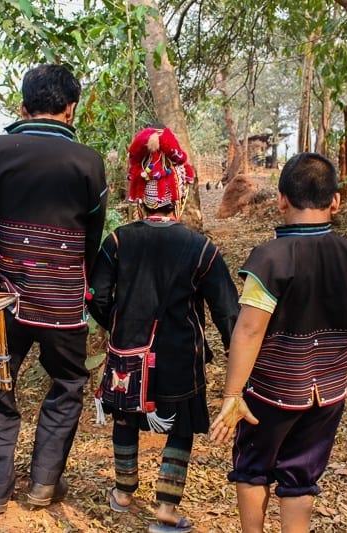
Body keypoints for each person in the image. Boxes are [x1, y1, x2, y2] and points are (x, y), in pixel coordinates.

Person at [0, 64, 107, 514]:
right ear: (72, 109)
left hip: (3, 297)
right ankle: (42, 484)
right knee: (69, 382)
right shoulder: (88, 163)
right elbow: (92, 242)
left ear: (23, 106)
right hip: (63, 303)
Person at [209, 152, 347, 532]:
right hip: (329, 392)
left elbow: (250, 330)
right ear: (335, 201)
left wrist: (232, 393)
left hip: (270, 390)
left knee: (252, 469)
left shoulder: (269, 259)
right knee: (301, 476)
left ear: (282, 199)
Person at [88, 125, 239, 533]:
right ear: (179, 194)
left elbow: (96, 297)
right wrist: (240, 361)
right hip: (178, 355)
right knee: (181, 425)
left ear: (140, 198)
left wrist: (119, 324)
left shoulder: (117, 241)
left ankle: (122, 493)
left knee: (124, 416)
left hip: (126, 352)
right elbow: (227, 312)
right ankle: (166, 511)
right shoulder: (199, 247)